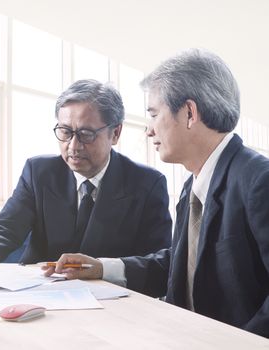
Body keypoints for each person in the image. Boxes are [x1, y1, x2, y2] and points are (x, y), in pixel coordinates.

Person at [46, 49, 269, 338]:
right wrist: (101, 268)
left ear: (189, 113)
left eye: (153, 114)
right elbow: (180, 266)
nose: (148, 130)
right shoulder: (195, 184)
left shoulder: (258, 180)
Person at [0, 79, 172, 271]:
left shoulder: (147, 184)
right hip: (42, 297)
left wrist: (104, 270)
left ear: (115, 133)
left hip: (114, 305)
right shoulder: (39, 173)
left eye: (86, 134)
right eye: (65, 132)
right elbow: (7, 226)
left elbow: (158, 264)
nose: (73, 146)